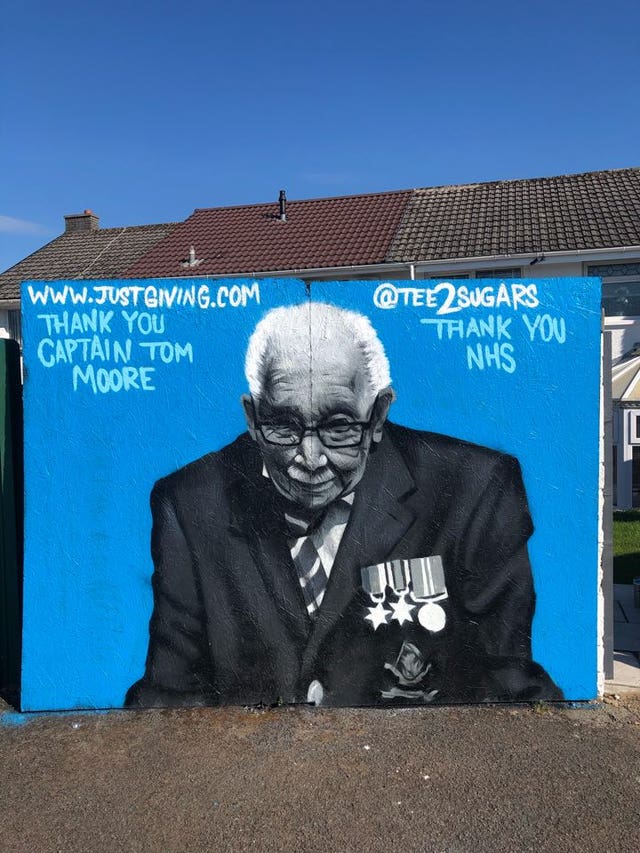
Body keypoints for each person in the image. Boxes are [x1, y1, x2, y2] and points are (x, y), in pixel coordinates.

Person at [126, 302, 562, 708]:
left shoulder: (474, 489)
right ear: (252, 419)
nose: (309, 459)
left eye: (338, 427)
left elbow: (507, 683)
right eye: (283, 425)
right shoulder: (189, 503)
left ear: (377, 416)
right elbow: (170, 693)